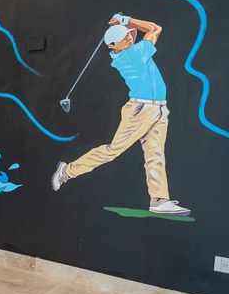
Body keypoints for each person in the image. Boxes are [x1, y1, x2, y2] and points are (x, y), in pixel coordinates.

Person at [51, 13, 190, 216]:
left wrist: (125, 24)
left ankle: (159, 200)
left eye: (129, 35)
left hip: (159, 109)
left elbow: (143, 31)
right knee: (112, 151)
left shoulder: (130, 51)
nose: (130, 38)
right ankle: (67, 171)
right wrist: (126, 20)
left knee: (155, 156)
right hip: (141, 110)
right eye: (124, 38)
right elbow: (155, 29)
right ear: (113, 45)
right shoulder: (132, 55)